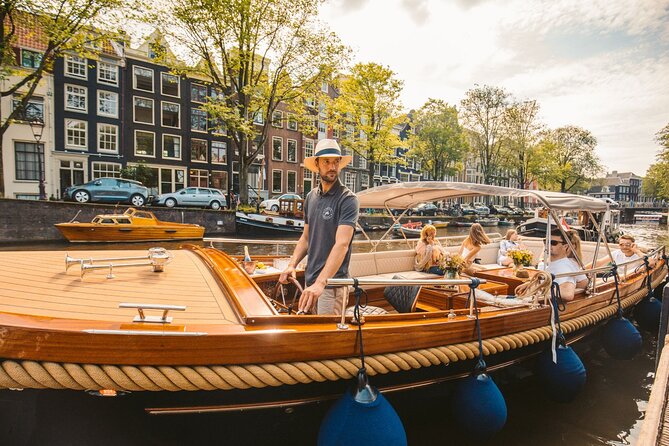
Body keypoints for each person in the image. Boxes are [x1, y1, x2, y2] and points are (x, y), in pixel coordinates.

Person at [278, 139, 357, 315]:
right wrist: (292, 265)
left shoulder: (348, 199)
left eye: (336, 161)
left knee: (328, 338)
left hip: (332, 284)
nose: (332, 166)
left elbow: (342, 244)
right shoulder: (310, 197)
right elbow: (306, 238)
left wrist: (321, 283)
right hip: (310, 280)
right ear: (317, 164)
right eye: (326, 162)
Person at [546, 230, 588, 301]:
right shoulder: (557, 263)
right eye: (546, 241)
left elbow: (567, 294)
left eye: (553, 243)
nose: (548, 245)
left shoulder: (565, 266)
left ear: (565, 246)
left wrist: (539, 288)